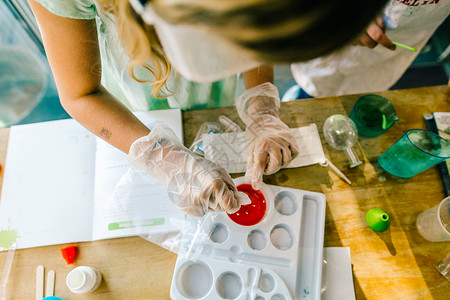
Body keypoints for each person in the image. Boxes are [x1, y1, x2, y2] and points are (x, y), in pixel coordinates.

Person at [28, 0, 389, 216]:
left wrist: (261, 107)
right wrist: (163, 157)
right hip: (134, 99)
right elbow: (79, 93)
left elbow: (255, 32)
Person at [291, 0, 450, 98]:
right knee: (316, 86)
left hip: (402, 42)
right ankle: (301, 96)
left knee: (365, 90)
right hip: (339, 32)